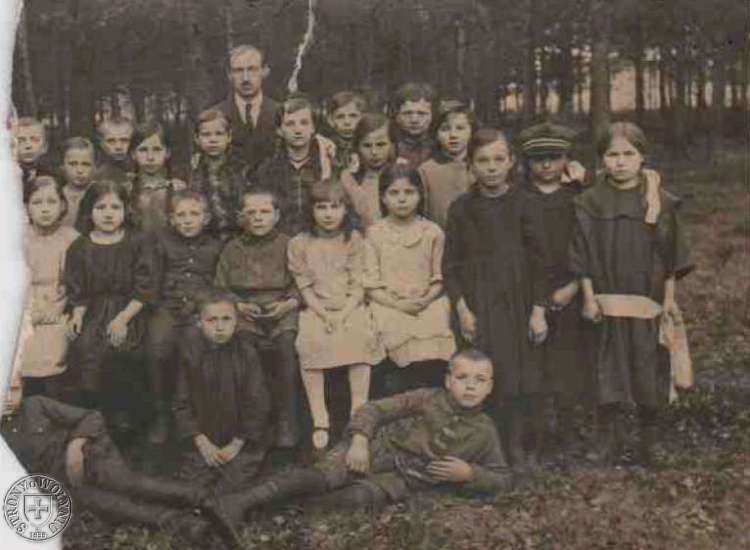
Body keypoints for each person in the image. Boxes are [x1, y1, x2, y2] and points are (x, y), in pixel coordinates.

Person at [207, 349, 514, 541]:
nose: (470, 386)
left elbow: (502, 477)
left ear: (489, 387)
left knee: (354, 499)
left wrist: (470, 474)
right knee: (321, 477)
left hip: (399, 480)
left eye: (479, 380)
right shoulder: (426, 398)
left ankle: (269, 511)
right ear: (448, 381)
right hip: (374, 450)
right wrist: (360, 440)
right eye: (462, 377)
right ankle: (239, 502)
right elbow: (373, 409)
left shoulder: (485, 431)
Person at [569, 122, 693, 465]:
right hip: (606, 300)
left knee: (648, 368)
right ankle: (607, 437)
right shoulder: (589, 201)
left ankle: (650, 439)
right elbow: (582, 252)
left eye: (628, 154)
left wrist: (669, 300)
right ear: (601, 159)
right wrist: (588, 297)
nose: (620, 162)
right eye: (612, 155)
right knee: (606, 369)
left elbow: (670, 257)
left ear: (642, 157)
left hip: (647, 301)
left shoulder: (659, 201)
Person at [443, 128, 548, 469]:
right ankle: (484, 445)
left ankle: (516, 444)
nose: (491, 167)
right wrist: (462, 310)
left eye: (499, 159)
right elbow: (451, 265)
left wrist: (538, 311)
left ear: (511, 162)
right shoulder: (461, 209)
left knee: (518, 374)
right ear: (471, 165)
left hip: (517, 301)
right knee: (482, 372)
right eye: (483, 160)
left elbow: (540, 262)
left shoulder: (527, 204)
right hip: (479, 302)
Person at [1, 394, 210, 541]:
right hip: (63, 484)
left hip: (89, 457)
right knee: (109, 504)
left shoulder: (36, 405)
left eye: (14, 389)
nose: (8, 398)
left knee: (128, 484)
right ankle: (184, 523)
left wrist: (75, 445)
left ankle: (199, 497)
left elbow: (91, 416)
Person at [287, 181, 385, 451]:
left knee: (360, 337)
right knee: (310, 341)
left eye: (335, 207)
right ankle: (320, 419)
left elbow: (358, 284)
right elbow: (305, 286)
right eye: (321, 207)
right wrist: (324, 313)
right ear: (311, 210)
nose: (329, 214)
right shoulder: (299, 243)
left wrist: (342, 313)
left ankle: (358, 413)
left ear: (345, 210)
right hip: (316, 307)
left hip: (350, 306)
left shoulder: (353, 239)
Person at [517, 122, 592, 461]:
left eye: (554, 157)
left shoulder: (578, 198)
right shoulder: (519, 198)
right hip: (528, 292)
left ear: (566, 159)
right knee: (533, 364)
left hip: (569, 291)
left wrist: (573, 287)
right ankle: (534, 434)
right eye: (538, 158)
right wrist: (537, 299)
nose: (546, 165)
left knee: (568, 363)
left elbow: (589, 245)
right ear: (527, 162)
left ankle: (568, 431)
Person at [215, 187, 302, 449]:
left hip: (282, 308)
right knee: (245, 349)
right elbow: (220, 286)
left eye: (264, 212)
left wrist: (289, 303)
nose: (258, 218)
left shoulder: (290, 244)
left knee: (287, 347)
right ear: (241, 217)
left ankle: (287, 420)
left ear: (276, 215)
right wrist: (238, 304)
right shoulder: (232, 248)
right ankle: (255, 421)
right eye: (251, 213)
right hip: (246, 311)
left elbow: (303, 281)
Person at [64, 181, 152, 426]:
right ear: (89, 211)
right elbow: (78, 289)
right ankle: (93, 417)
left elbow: (145, 287)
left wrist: (122, 319)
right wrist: (77, 315)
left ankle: (123, 418)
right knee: (85, 348)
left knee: (122, 349)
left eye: (115, 207)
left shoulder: (137, 243)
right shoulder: (80, 247)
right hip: (93, 311)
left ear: (126, 210)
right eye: (101, 207)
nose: (108, 214)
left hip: (129, 310)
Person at [364, 164, 455, 392]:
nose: (402, 199)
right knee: (394, 328)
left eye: (409, 192)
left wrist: (425, 300)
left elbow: (439, 278)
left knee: (435, 324)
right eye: (394, 193)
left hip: (427, 301)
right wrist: (398, 304)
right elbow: (371, 284)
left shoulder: (432, 232)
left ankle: (431, 396)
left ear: (420, 195)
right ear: (383, 197)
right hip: (389, 302)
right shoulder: (375, 234)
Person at [145, 191, 224, 444]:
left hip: (200, 312)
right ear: (172, 219)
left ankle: (192, 418)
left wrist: (203, 307)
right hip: (168, 308)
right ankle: (161, 414)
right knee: (158, 349)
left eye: (194, 214)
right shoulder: (161, 243)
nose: (188, 220)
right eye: (181, 215)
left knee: (193, 349)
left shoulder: (215, 246)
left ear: (206, 218)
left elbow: (218, 284)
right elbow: (153, 280)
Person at [172, 290, 271, 492]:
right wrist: (201, 442)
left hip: (241, 442)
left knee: (232, 487)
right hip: (202, 441)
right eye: (212, 320)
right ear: (200, 323)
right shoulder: (190, 354)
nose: (219, 327)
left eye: (226, 319)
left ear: (236, 322)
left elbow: (258, 403)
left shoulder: (247, 354)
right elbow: (181, 403)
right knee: (193, 489)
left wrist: (236, 444)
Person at [19, 176, 79, 399]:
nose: (45, 209)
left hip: (58, 309)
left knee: (54, 346)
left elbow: (75, 285)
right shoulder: (16, 238)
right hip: (24, 309)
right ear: (26, 207)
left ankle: (50, 405)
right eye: (37, 202)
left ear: (62, 205)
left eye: (51, 202)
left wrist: (56, 309)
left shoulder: (72, 239)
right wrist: (29, 311)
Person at [254, 93, 335, 236]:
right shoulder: (267, 170)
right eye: (290, 124)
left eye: (304, 123)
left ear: (313, 128)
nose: (298, 130)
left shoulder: (327, 164)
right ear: (280, 130)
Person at [210, 44, 278, 171]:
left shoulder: (281, 113)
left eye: (252, 69)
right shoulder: (213, 116)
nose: (245, 78)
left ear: (265, 71)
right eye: (238, 70)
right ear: (229, 74)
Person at [189, 108, 250, 240]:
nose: (213, 139)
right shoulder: (192, 170)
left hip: (238, 236)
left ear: (229, 137)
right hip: (204, 238)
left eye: (219, 134)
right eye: (206, 134)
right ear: (197, 138)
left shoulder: (242, 169)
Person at [417, 101, 476, 228]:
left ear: (471, 130)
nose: (453, 135)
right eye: (445, 129)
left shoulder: (479, 166)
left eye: (460, 128)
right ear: (436, 133)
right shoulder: (426, 171)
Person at [340, 113, 397, 229]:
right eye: (367, 145)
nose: (374, 152)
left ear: (392, 145)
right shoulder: (348, 178)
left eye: (381, 144)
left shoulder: (401, 173)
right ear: (357, 147)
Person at [129, 121, 187, 233]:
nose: (150, 157)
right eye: (143, 150)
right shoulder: (126, 188)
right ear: (133, 154)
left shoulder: (178, 189)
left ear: (167, 153)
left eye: (156, 149)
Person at [390, 82, 438, 170]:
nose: (414, 120)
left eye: (421, 113)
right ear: (397, 116)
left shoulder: (440, 148)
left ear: (432, 116)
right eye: (407, 113)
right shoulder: (388, 148)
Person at [325, 90, 367, 174]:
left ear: (362, 118)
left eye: (353, 116)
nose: (347, 122)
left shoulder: (369, 145)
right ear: (330, 120)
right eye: (340, 117)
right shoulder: (325, 146)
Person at [59, 137, 96, 227]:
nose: (80, 170)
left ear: (94, 167)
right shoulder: (57, 196)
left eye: (86, 164)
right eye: (73, 164)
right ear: (62, 166)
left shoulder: (101, 194)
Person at [13, 117, 55, 191]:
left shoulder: (52, 175)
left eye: (35, 140)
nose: (28, 146)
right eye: (20, 141)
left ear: (45, 147)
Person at [93, 117, 136, 188]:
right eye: (111, 141)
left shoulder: (139, 171)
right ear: (102, 144)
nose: (118, 147)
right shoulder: (95, 179)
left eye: (124, 140)